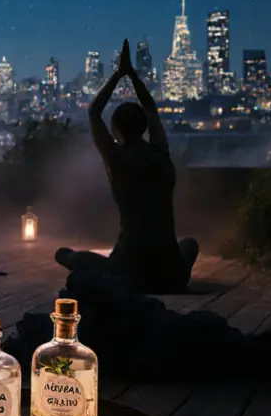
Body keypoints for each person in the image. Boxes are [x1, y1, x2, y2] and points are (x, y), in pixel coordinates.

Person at [55, 39, 199, 293]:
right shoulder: (159, 153)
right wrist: (132, 76)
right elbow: (151, 109)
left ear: (115, 130)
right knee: (190, 245)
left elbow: (94, 112)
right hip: (171, 274)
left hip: (128, 271)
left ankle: (70, 256)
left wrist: (117, 75)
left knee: (69, 256)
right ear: (143, 127)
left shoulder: (116, 159)